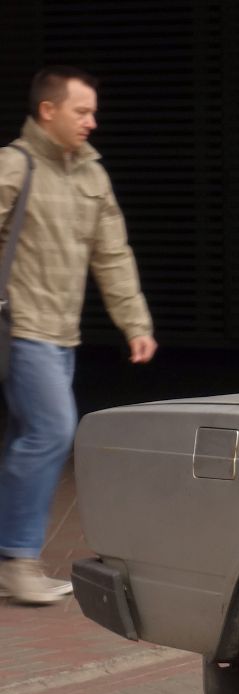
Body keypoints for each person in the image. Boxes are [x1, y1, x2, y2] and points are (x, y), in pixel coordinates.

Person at [0, 66, 155, 605]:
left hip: (61, 336)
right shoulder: (13, 167)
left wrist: (135, 323)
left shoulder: (92, 176)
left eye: (93, 111)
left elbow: (111, 255)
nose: (92, 120)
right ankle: (16, 559)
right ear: (49, 110)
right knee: (51, 431)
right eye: (81, 111)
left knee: (31, 437)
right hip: (21, 330)